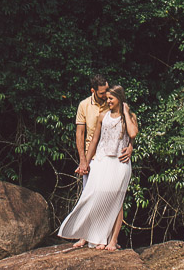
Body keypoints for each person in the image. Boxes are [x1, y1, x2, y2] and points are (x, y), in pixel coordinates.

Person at [58, 85, 139, 250]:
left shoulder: (129, 117)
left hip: (119, 163)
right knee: (92, 194)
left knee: (117, 200)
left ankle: (112, 240)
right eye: (107, 98)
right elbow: (94, 141)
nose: (107, 101)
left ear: (119, 99)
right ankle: (86, 235)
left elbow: (132, 134)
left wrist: (125, 111)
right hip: (101, 161)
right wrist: (85, 163)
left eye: (111, 98)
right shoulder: (103, 116)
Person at [74, 75, 132, 183]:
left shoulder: (113, 103)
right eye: (102, 93)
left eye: (107, 90)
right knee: (89, 192)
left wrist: (130, 147)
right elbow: (80, 134)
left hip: (111, 156)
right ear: (93, 90)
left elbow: (129, 128)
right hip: (91, 156)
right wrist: (83, 160)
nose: (106, 95)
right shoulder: (84, 105)